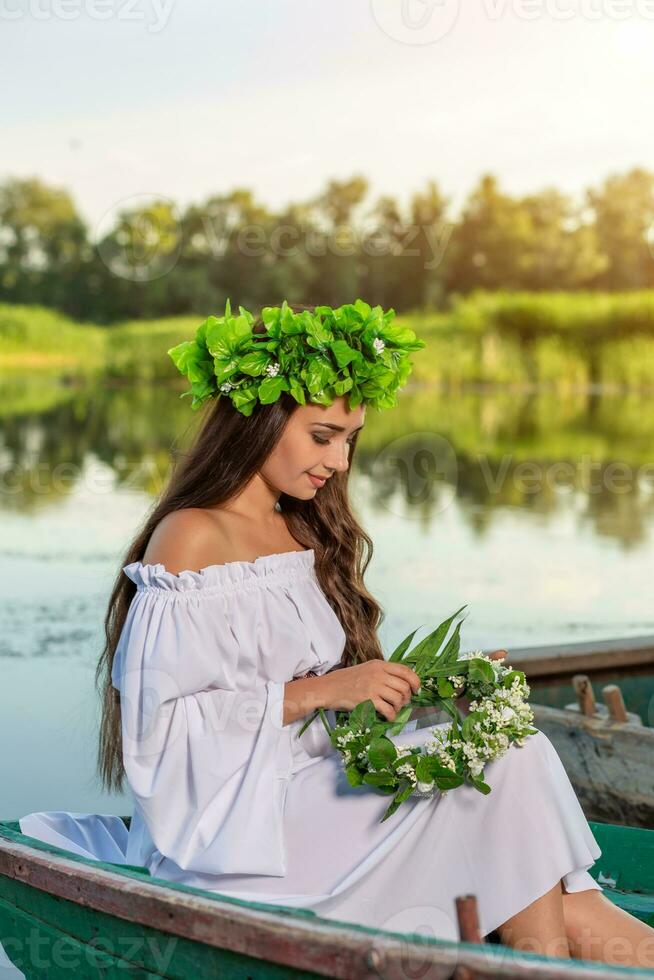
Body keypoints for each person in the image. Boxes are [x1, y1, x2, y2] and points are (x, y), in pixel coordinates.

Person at [19, 300, 654, 966]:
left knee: (517, 775)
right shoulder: (191, 537)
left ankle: (540, 965)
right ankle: (538, 967)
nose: (341, 460)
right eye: (323, 435)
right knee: (509, 774)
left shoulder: (299, 530)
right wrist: (317, 694)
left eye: (350, 438)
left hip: (321, 791)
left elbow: (336, 708)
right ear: (258, 421)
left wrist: (438, 690)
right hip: (241, 837)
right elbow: (160, 732)